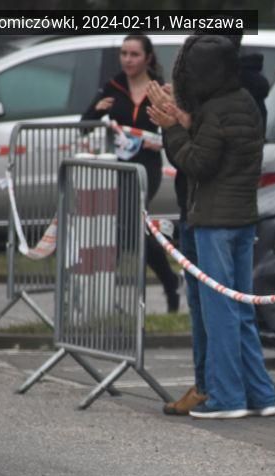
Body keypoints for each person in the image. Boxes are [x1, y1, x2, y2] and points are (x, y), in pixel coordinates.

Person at [150, 32, 275, 420]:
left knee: (218, 310)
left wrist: (172, 128)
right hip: (242, 217)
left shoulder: (216, 109)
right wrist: (183, 120)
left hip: (214, 221)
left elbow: (198, 163)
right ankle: (260, 394)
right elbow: (220, 151)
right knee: (240, 310)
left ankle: (226, 397)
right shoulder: (244, 101)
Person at [81, 33, 180, 313]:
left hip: (147, 167)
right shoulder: (113, 86)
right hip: (119, 166)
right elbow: (84, 125)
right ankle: (168, 282)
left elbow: (175, 126)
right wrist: (96, 111)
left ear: (148, 58)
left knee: (129, 224)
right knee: (131, 229)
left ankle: (156, 286)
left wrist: (162, 134)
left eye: (134, 54)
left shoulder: (159, 88)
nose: (127, 60)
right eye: (124, 54)